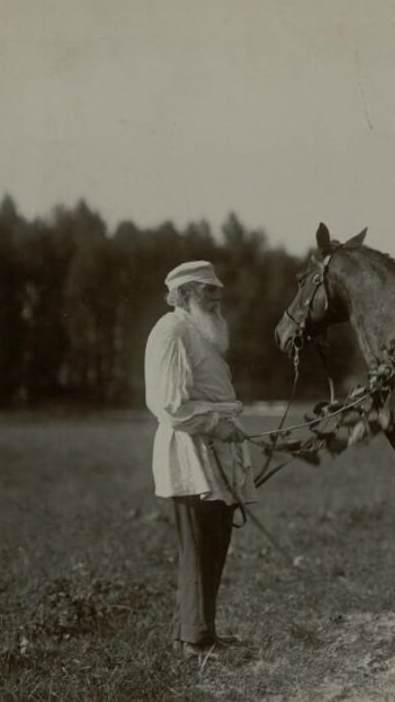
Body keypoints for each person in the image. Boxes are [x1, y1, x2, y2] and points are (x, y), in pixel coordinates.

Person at [144, 260, 257, 660]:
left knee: (213, 543)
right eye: (209, 290)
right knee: (199, 546)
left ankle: (195, 633)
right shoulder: (171, 331)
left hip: (214, 450)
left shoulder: (197, 331)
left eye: (217, 289)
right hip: (191, 453)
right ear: (186, 293)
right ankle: (196, 641)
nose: (218, 295)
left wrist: (224, 425)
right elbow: (169, 405)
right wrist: (216, 423)